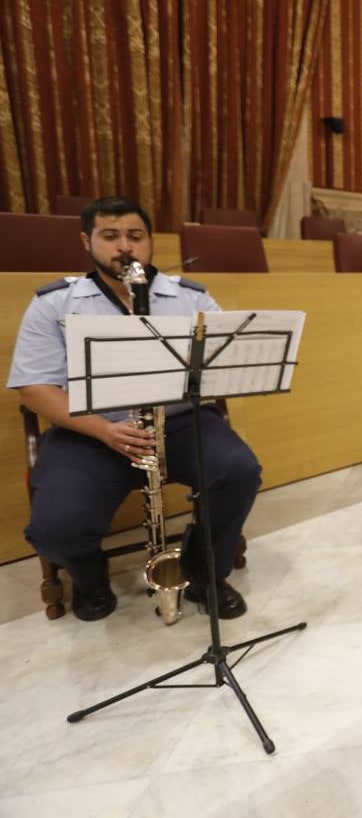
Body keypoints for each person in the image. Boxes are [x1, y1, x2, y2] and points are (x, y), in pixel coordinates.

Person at [9, 197, 260, 621]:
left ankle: (204, 571)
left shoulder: (189, 297)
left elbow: (224, 363)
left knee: (239, 472)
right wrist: (105, 432)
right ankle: (89, 579)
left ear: (150, 243)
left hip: (179, 422)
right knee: (54, 527)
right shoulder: (55, 303)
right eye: (110, 236)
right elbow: (34, 388)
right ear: (88, 241)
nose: (124, 247)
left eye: (135, 236)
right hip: (89, 431)